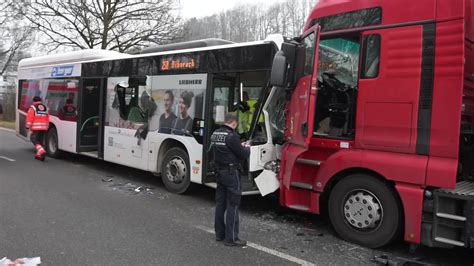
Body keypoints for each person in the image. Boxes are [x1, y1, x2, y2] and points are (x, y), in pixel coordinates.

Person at [210, 112, 250, 247]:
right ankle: (231, 238)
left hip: (219, 173)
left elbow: (225, 150)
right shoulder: (232, 136)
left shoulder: (215, 134)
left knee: (220, 203)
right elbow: (243, 154)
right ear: (234, 123)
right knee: (233, 204)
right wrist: (247, 147)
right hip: (231, 173)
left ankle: (219, 234)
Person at [25, 96, 50, 161]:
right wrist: (47, 126)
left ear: (34, 101)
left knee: (33, 138)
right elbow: (48, 117)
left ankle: (41, 151)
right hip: (44, 127)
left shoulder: (33, 107)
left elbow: (30, 117)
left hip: (36, 127)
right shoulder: (45, 108)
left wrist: (27, 126)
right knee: (40, 141)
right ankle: (40, 155)